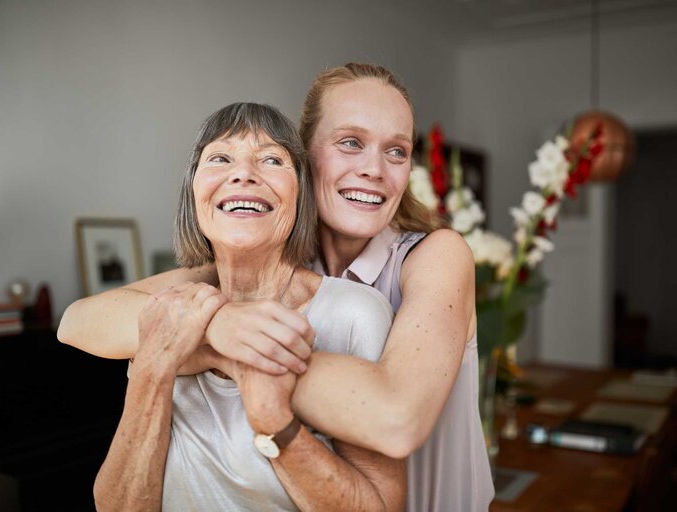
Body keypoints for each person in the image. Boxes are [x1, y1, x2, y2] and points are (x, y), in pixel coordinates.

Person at [59, 63, 494, 511]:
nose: (374, 169)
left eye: (397, 152)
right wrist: (219, 325)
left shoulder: (435, 255)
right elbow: (80, 319)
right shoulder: (254, 261)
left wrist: (222, 345)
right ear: (305, 158)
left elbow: (396, 420)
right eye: (350, 143)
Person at [93, 102, 406, 511]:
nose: (243, 174)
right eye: (220, 158)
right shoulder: (167, 312)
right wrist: (154, 367)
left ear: (300, 194)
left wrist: (274, 419)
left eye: (271, 159)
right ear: (193, 193)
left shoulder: (354, 314)